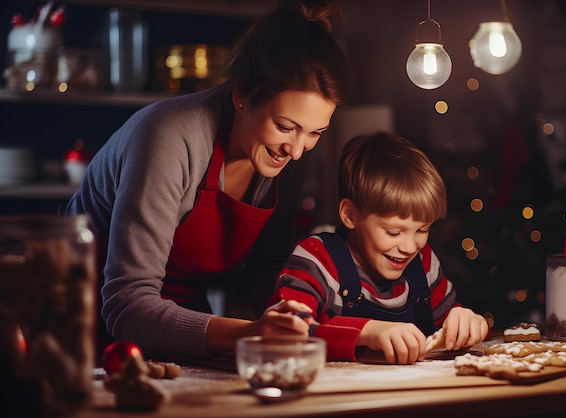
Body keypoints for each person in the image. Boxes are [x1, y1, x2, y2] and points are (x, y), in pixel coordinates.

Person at [65, 0, 353, 361]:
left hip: (179, 323)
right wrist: (247, 333)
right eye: (285, 126)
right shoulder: (169, 136)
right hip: (82, 323)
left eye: (316, 132)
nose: (296, 150)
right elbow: (126, 303)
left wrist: (328, 316)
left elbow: (265, 271)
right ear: (242, 94)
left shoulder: (284, 153)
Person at [269, 132, 489, 364]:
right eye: (394, 232)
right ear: (350, 214)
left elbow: (449, 326)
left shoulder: (423, 264)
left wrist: (466, 321)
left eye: (422, 230)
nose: (409, 246)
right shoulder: (317, 259)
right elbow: (282, 334)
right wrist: (368, 333)